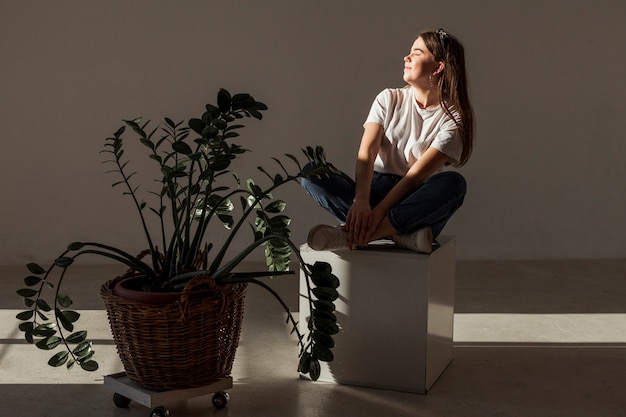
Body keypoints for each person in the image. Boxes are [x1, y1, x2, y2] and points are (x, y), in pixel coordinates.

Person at [301, 28, 474, 253]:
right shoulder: (389, 98)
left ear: (438, 67)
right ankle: (400, 235)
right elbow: (367, 152)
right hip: (373, 190)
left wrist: (378, 213)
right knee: (312, 172)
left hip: (415, 200)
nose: (407, 57)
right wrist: (361, 202)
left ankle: (361, 233)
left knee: (454, 184)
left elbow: (415, 177)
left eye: (417, 53)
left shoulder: (453, 118)